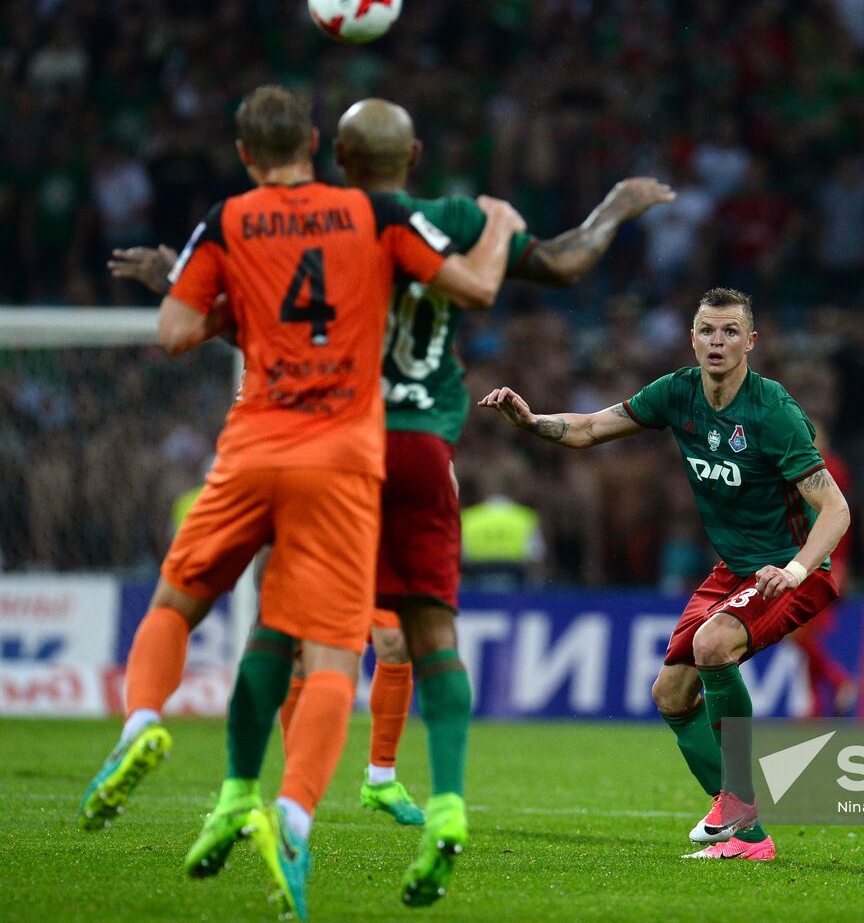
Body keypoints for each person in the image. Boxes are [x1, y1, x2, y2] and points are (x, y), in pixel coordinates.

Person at [103, 96, 673, 908]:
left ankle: (247, 798)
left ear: (331, 151)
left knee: (286, 632)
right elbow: (561, 264)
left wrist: (185, 284)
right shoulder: (441, 216)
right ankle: (432, 798)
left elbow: (266, 328)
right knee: (424, 638)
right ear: (415, 156)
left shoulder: (321, 221)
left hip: (332, 446)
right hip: (420, 455)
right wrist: (616, 205)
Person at [79, 84, 524, 919]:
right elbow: (469, 287)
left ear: (245, 153)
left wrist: (193, 284)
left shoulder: (229, 219)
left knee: (191, 605)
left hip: (254, 445)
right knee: (329, 650)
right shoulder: (369, 218)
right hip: (345, 458)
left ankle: (147, 727)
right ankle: (291, 813)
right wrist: (497, 225)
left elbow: (178, 334)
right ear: (316, 143)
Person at [479, 287, 850, 861]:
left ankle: (739, 798)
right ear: (692, 338)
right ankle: (749, 840)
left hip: (791, 566)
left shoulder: (773, 410)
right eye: (707, 330)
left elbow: (836, 508)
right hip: (734, 570)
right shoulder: (677, 393)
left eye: (730, 332)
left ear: (750, 341)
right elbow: (588, 429)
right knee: (671, 694)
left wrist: (798, 569)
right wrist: (530, 421)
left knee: (713, 643)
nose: (717, 341)